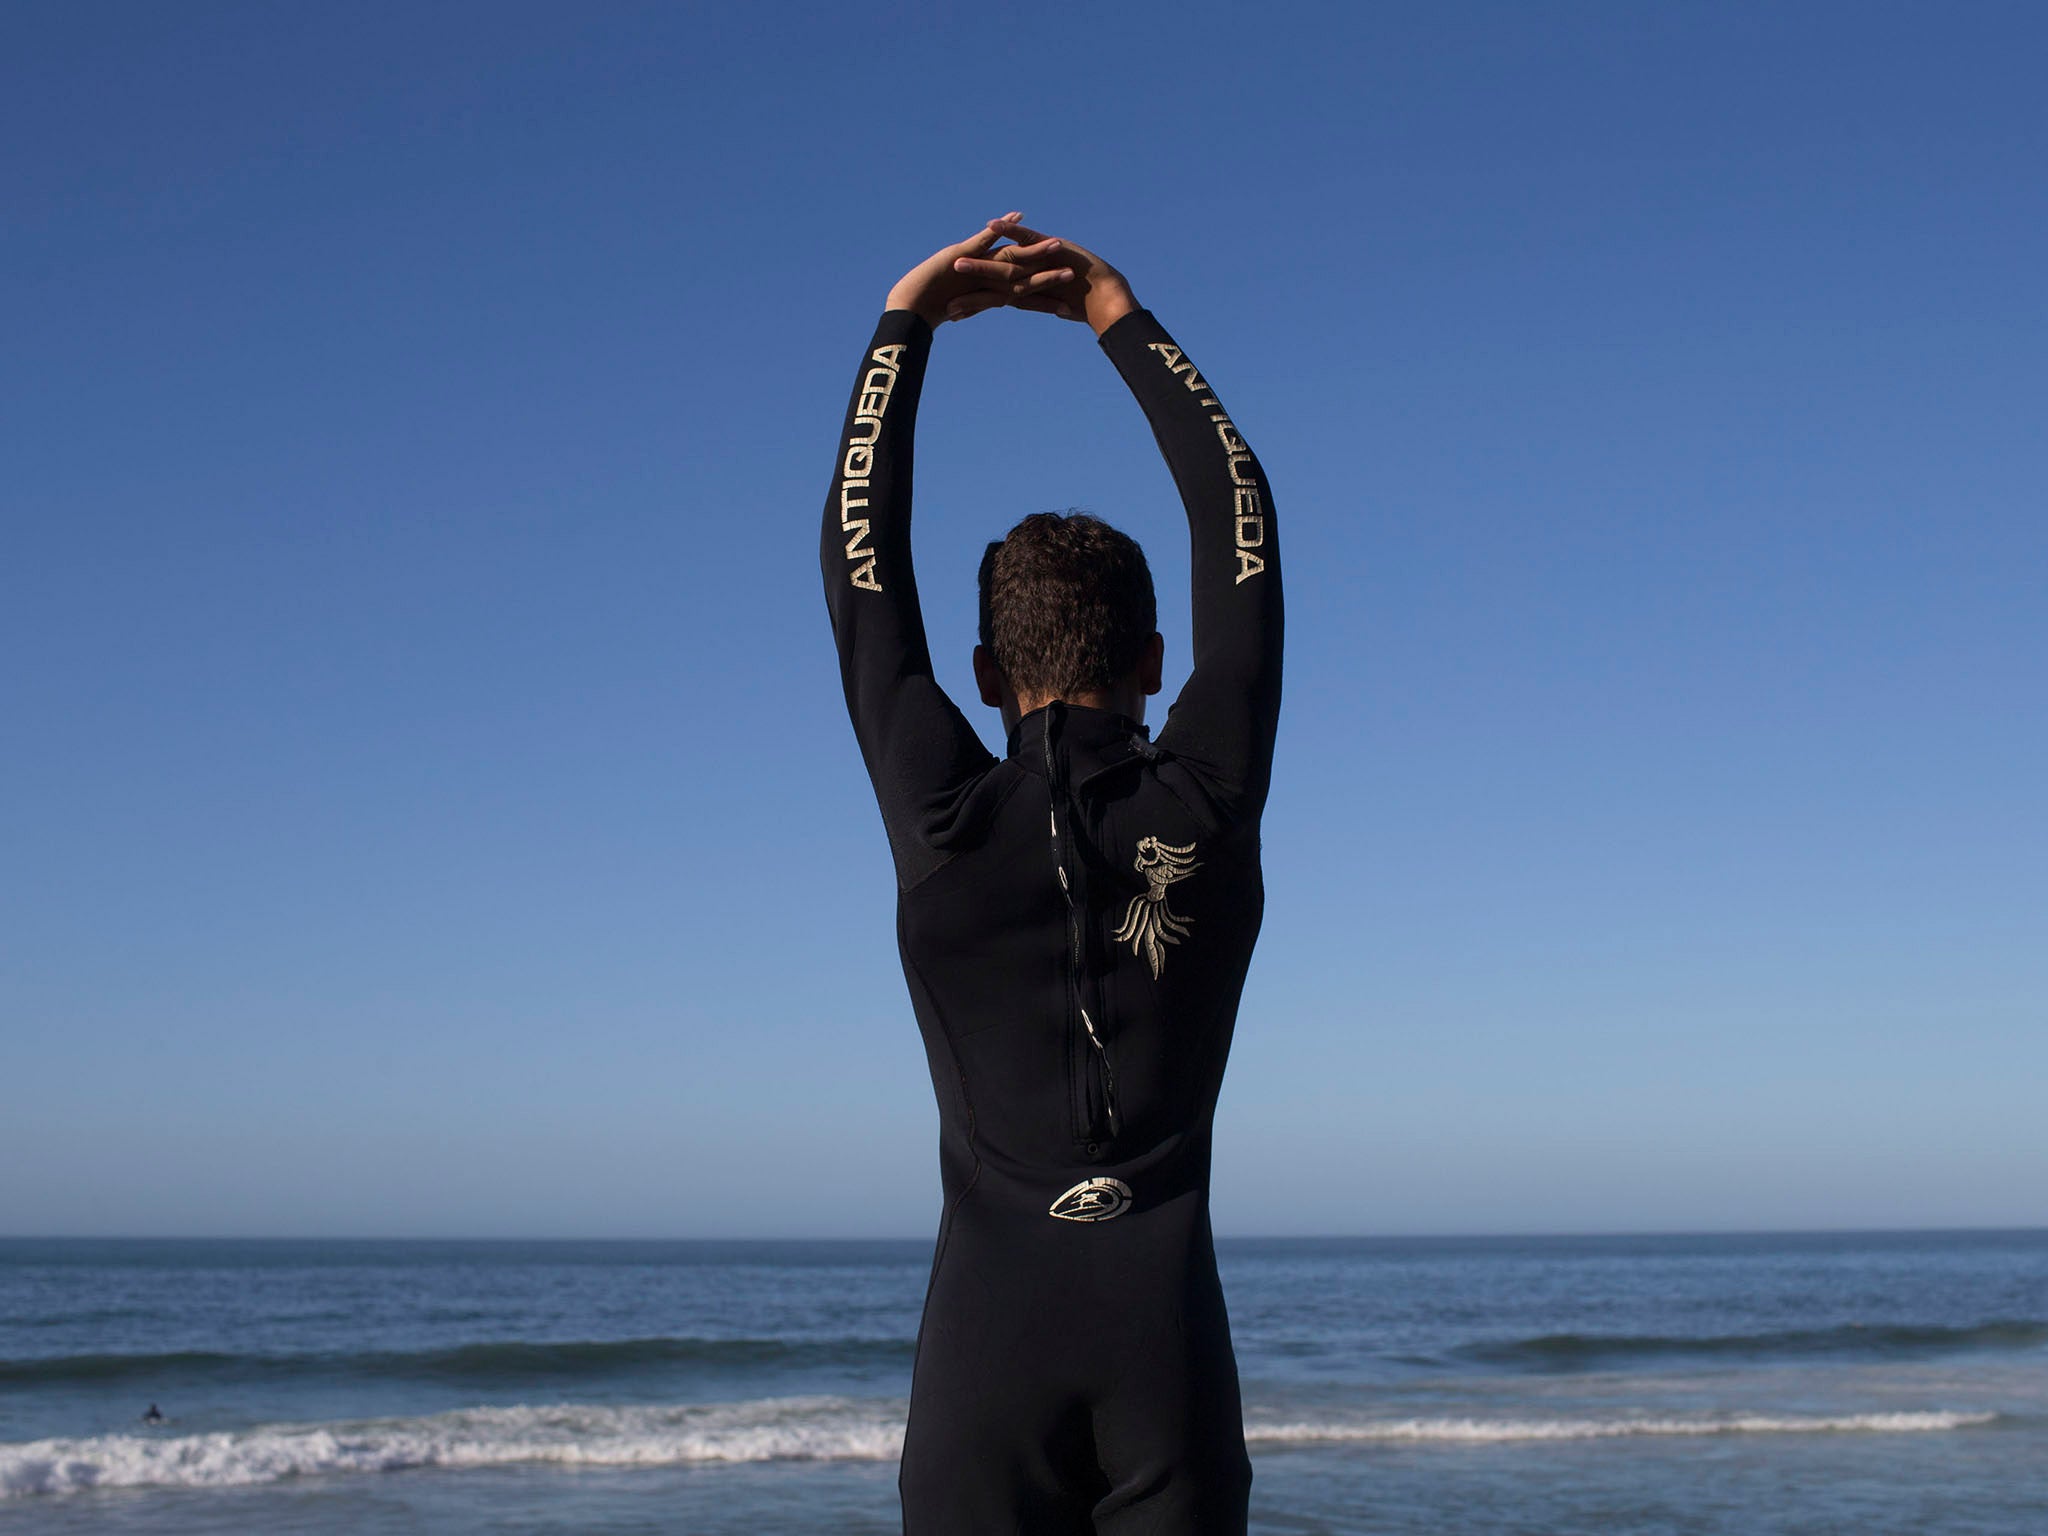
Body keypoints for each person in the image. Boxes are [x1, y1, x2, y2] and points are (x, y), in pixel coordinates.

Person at [821, 213, 1282, 1534]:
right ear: (1154, 663)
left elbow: (864, 584)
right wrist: (1118, 317)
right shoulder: (1208, 797)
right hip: (1170, 1367)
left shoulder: (947, 814)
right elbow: (1243, 528)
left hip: (985, 1364)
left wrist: (903, 325)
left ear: (980, 679)